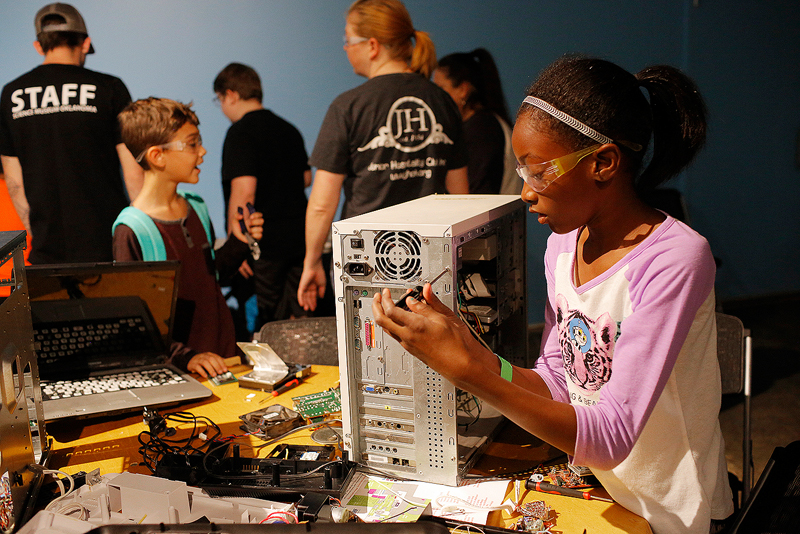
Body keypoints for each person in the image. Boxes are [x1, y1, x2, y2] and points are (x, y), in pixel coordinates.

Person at [372, 55, 734, 533]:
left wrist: (465, 373)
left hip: (669, 509)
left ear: (603, 162)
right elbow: (559, 379)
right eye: (522, 172)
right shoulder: (564, 245)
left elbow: (612, 435)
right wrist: (470, 350)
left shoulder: (675, 260)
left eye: (539, 172)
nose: (526, 192)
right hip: (603, 488)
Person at [297, 0, 469, 312]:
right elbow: (461, 196)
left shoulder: (349, 106)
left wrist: (311, 263)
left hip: (367, 269)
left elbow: (322, 205)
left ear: (372, 46)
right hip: (433, 267)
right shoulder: (442, 101)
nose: (346, 49)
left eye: (349, 40)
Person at [112, 97, 264, 379]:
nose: (203, 151)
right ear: (157, 156)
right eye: (192, 143)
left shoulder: (196, 206)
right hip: (180, 373)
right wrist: (186, 358)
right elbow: (137, 323)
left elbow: (210, 276)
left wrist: (240, 242)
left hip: (224, 358)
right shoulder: (131, 229)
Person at [0, 3, 143, 264]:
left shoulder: (11, 93)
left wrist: (38, 233)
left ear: (39, 46)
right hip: (107, 244)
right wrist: (139, 230)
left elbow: (14, 180)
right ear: (86, 43)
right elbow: (132, 166)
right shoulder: (109, 87)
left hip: (47, 248)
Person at [213, 63, 312, 337]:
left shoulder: (240, 133)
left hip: (264, 248)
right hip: (298, 240)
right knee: (300, 322)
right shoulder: (288, 129)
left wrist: (239, 246)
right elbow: (306, 178)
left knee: (267, 328)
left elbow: (245, 192)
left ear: (230, 94)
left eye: (219, 100)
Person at [433, 48, 518, 195]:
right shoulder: (484, 124)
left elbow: (478, 194)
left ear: (463, 89)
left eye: (441, 89)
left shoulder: (482, 129)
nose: (436, 98)